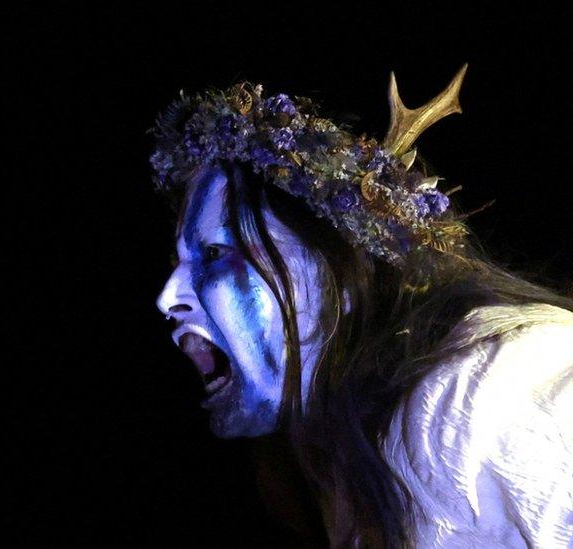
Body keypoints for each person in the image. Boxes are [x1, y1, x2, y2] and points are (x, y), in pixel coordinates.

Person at [149, 63, 573, 548]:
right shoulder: (347, 475)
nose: (167, 297)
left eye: (215, 254)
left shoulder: (490, 387)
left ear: (339, 271)